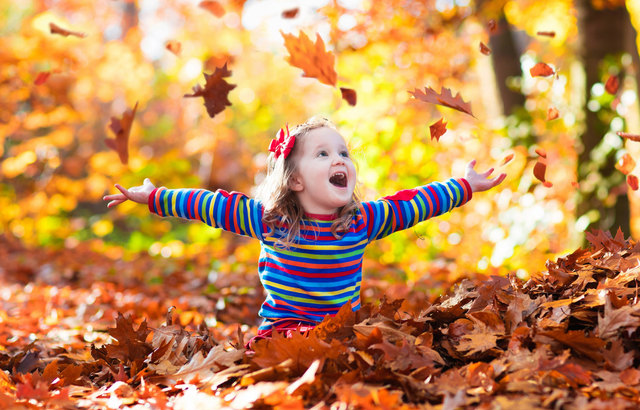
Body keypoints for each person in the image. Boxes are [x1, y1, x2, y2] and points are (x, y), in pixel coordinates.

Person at [103, 116, 506, 343]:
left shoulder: (362, 222)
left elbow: (417, 203)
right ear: (295, 180)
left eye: (344, 153)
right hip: (282, 329)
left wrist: (465, 185)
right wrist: (155, 197)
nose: (340, 160)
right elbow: (207, 204)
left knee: (376, 347)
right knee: (279, 354)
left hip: (342, 328)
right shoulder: (270, 221)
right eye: (324, 153)